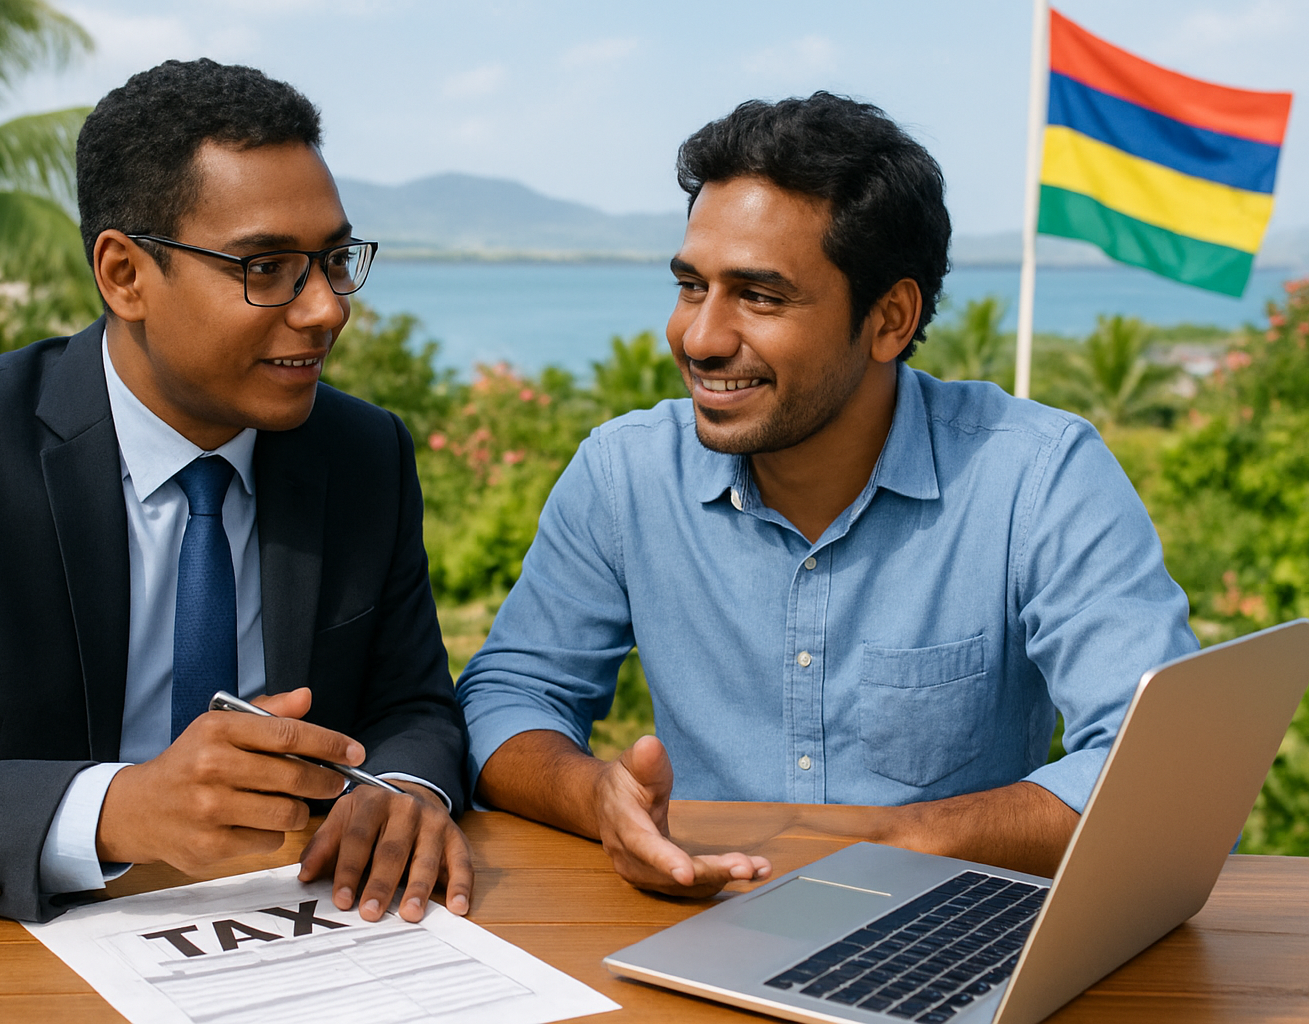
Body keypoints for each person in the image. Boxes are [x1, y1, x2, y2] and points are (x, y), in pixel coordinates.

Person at [0, 60, 471, 925]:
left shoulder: (362, 450)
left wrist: (401, 790)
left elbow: (414, 704)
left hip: (297, 929)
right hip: (8, 954)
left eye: (332, 259)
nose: (326, 309)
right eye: (268, 267)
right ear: (124, 275)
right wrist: (118, 810)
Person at [456, 93, 1197, 899]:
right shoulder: (624, 473)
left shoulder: (1039, 476)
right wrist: (596, 798)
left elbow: (1154, 767)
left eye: (761, 296)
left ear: (890, 319)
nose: (700, 337)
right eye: (691, 285)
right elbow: (509, 695)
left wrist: (894, 845)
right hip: (694, 918)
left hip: (951, 925)